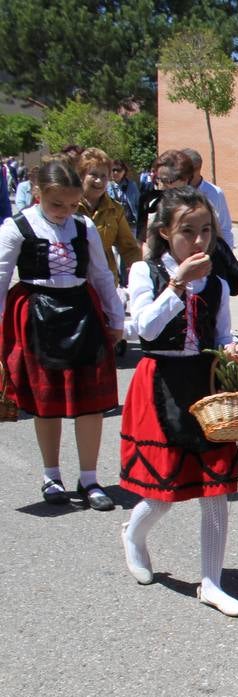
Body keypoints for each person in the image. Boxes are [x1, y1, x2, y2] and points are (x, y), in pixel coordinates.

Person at [118, 187, 238, 615]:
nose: (198, 241)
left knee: (215, 487)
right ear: (164, 232)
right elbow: (145, 332)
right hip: (162, 383)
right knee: (163, 489)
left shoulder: (219, 283)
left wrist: (234, 350)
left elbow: (223, 335)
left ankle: (212, 582)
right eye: (187, 231)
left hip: (205, 384)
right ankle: (133, 536)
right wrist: (177, 285)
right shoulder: (145, 272)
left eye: (206, 231)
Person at [0, 158, 123, 511]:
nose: (64, 212)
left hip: (82, 311)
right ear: (37, 192)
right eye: (57, 204)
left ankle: (89, 478)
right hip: (37, 314)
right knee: (46, 402)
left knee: (92, 404)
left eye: (72, 205)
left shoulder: (84, 227)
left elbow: (101, 275)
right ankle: (51, 475)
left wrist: (115, 318)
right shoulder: (17, 227)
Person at [76, 148, 141, 284]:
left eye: (104, 176)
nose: (99, 181)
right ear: (81, 175)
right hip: (75, 281)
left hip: (105, 283)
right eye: (93, 174)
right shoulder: (69, 207)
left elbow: (129, 248)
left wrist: (140, 272)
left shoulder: (115, 209)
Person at [181, 148, 235, 248]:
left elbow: (225, 227)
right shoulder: (174, 191)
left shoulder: (215, 193)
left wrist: (228, 253)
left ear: (197, 169)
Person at [136, 151, 192, 244]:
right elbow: (142, 240)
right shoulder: (149, 201)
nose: (161, 186)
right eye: (159, 179)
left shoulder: (198, 205)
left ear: (185, 179)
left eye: (168, 181)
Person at [109, 160, 140, 233]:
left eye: (118, 170)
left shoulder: (132, 186)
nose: (115, 173)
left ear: (124, 172)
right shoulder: (106, 186)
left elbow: (138, 204)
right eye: (113, 170)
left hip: (130, 224)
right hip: (113, 224)